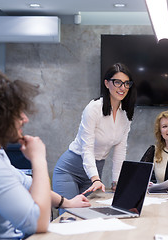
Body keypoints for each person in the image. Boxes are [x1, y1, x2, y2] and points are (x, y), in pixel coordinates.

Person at [0, 69, 91, 239]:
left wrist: (67, 203)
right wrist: (38, 159)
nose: (25, 119)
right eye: (17, 113)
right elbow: (38, 223)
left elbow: (27, 183)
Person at [53, 63, 137, 204]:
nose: (122, 88)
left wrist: (116, 180)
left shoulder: (125, 115)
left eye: (126, 83)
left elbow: (120, 151)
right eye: (117, 82)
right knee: (70, 214)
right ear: (106, 83)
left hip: (96, 169)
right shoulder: (93, 108)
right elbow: (87, 147)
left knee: (88, 213)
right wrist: (95, 179)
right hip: (70, 170)